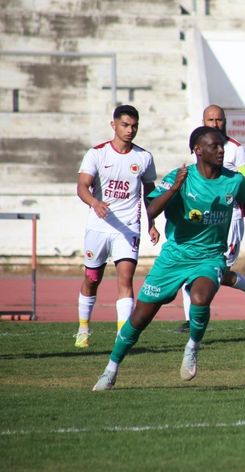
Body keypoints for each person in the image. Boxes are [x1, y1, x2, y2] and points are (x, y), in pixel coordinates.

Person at [92, 126, 245, 391]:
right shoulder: (180, 177)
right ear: (197, 150)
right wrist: (175, 188)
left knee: (200, 298)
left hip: (209, 256)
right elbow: (151, 210)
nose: (221, 150)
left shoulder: (234, 180)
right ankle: (111, 369)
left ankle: (192, 346)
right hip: (174, 257)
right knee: (139, 318)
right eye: (214, 146)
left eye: (222, 146)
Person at [74, 104, 159, 349]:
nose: (130, 130)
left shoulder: (144, 158)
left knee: (126, 279)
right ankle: (83, 328)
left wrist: (152, 223)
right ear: (114, 125)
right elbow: (82, 187)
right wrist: (94, 202)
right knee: (92, 279)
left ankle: (122, 337)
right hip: (99, 227)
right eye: (125, 125)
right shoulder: (97, 154)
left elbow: (149, 193)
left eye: (134, 126)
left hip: (129, 228)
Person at [176, 105, 245, 333]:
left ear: (226, 122)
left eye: (219, 120)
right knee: (196, 267)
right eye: (210, 120)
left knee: (216, 271)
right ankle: (190, 320)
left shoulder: (234, 149)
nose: (215, 124)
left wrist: (225, 191)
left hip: (228, 217)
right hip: (201, 219)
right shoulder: (200, 147)